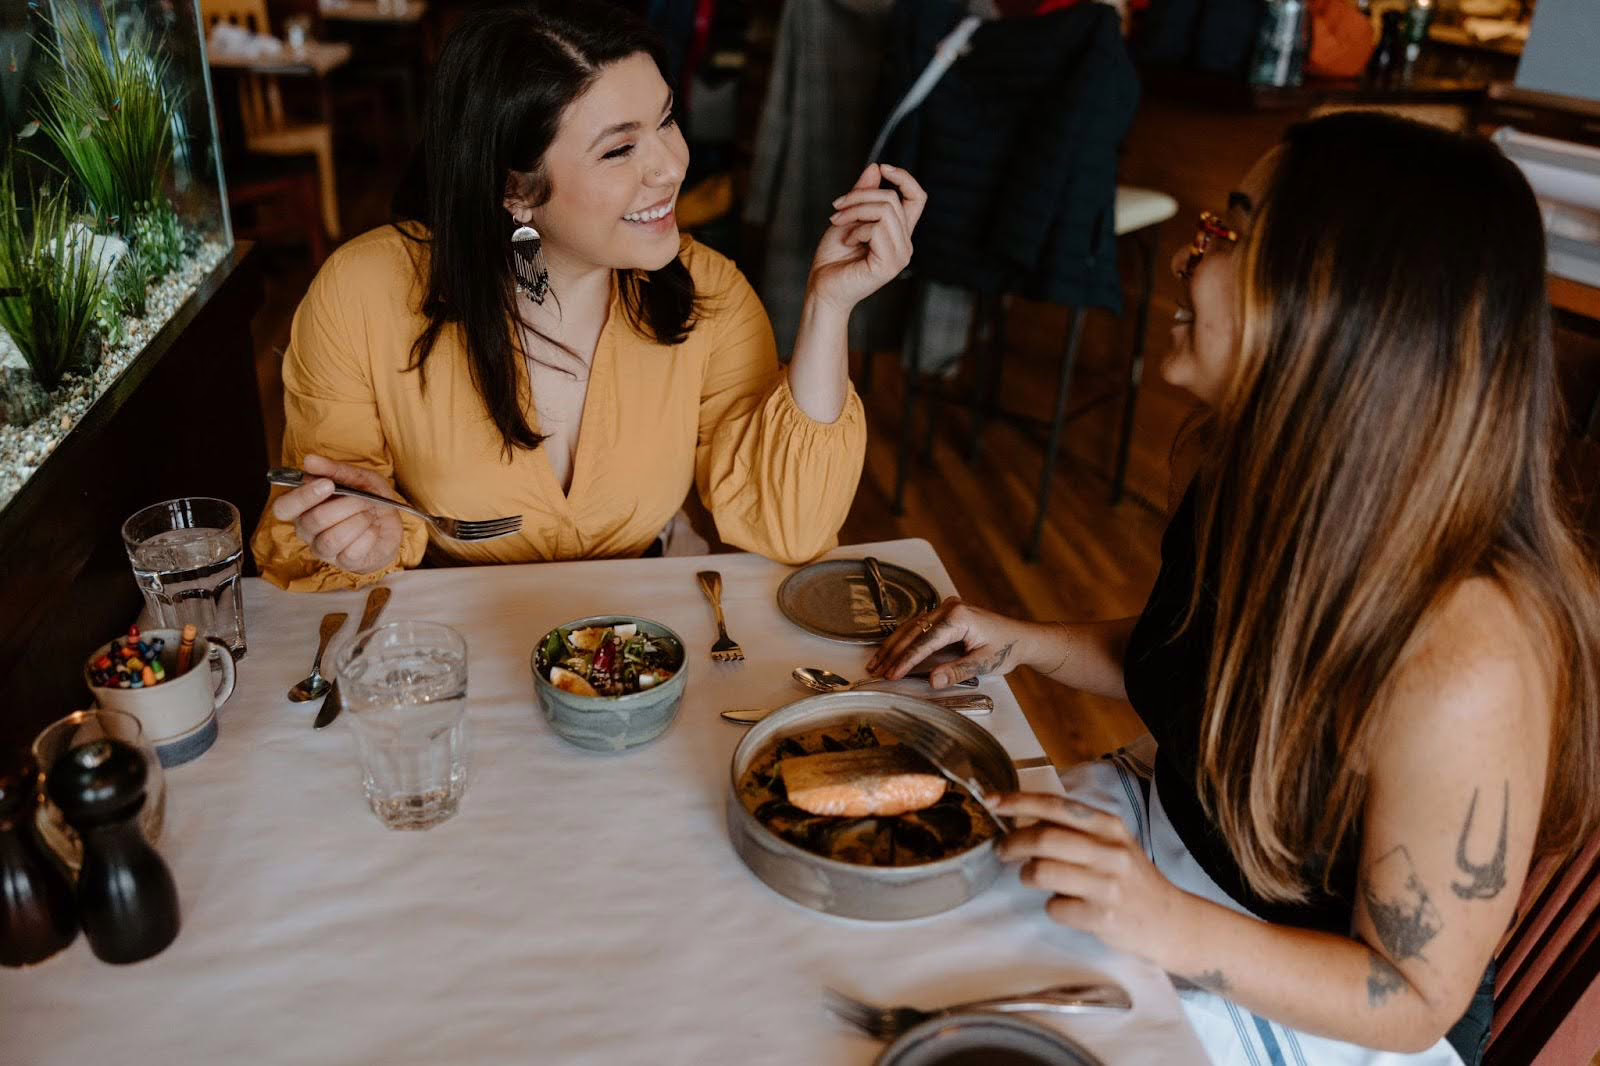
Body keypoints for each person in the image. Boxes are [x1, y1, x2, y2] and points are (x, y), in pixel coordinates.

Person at [869, 113, 1600, 1065]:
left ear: (1343, 306)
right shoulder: (1254, 463)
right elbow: (1203, 665)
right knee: (901, 900)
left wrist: (1163, 923)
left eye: (1234, 233)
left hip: (1322, 1001)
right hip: (1178, 857)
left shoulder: (1472, 652)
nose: (1188, 255)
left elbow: (1413, 996)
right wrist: (1025, 640)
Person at [253, 0, 925, 590]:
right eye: (618, 151)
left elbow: (792, 526)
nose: (669, 166)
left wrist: (828, 308)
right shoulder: (361, 295)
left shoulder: (710, 293)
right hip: (451, 648)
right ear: (514, 189)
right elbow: (334, 514)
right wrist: (358, 541)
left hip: (638, 646)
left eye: (665, 121)